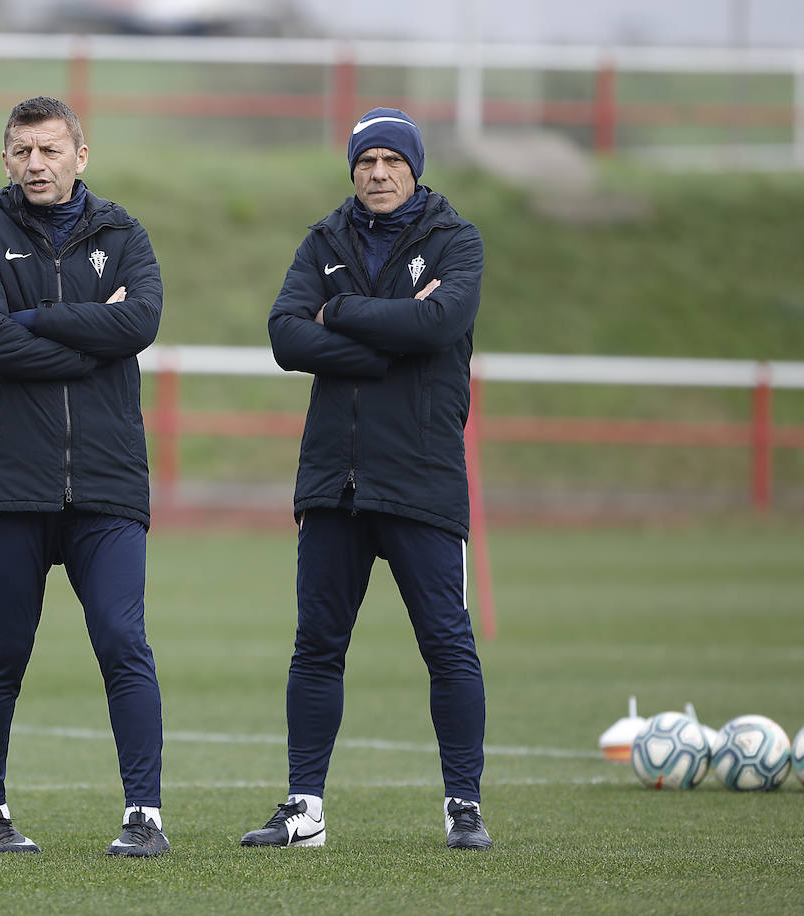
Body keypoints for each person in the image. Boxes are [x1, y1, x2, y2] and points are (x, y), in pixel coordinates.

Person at [240, 107, 492, 851]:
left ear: (415, 168)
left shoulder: (456, 240)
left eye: (391, 161)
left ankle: (464, 806)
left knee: (447, 645)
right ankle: (304, 809)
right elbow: (286, 334)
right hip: (333, 484)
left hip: (421, 480)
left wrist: (341, 312)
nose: (377, 174)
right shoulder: (324, 240)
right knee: (317, 646)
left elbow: (438, 326)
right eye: (364, 162)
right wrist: (381, 345)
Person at [0, 96, 168, 857]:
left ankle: (145, 816)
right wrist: (87, 338)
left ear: (82, 155)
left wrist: (35, 319)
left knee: (121, 639)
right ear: (4, 159)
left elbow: (138, 323)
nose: (35, 164)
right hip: (8, 484)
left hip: (108, 483)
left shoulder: (125, 233)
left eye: (49, 150)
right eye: (20, 151)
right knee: (4, 647)